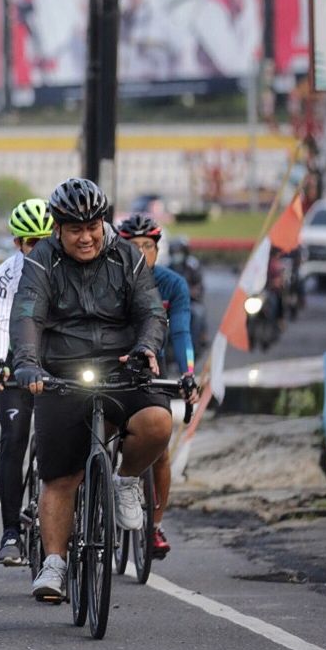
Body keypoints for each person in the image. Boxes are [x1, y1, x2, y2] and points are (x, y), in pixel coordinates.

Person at [11, 178, 171, 603]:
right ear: (58, 229)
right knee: (60, 476)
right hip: (61, 373)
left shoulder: (127, 257)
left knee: (157, 422)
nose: (85, 237)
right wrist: (27, 363)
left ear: (103, 223)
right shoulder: (42, 261)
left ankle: (126, 479)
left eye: (92, 227)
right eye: (74, 229)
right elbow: (27, 314)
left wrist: (145, 348)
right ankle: (54, 564)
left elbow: (152, 313)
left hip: (123, 367)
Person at [116, 212, 193, 560]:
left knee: (159, 448)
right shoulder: (107, 279)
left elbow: (180, 331)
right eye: (134, 247)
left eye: (149, 246)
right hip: (105, 371)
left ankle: (156, 525)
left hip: (149, 372)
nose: (142, 253)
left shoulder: (172, 284)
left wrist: (188, 372)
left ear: (157, 251)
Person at [0, 198, 55, 566]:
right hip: (15, 361)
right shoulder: (7, 273)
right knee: (13, 440)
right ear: (18, 243)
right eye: (31, 242)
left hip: (57, 360)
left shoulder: (67, 268)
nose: (40, 248)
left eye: (47, 238)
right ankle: (11, 530)